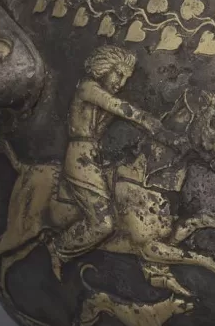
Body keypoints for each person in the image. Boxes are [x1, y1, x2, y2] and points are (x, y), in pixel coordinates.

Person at [47, 45, 185, 275]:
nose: (121, 83)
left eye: (125, 79)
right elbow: (118, 107)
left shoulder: (102, 93)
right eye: (118, 74)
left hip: (96, 157)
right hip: (81, 157)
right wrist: (145, 119)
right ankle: (59, 247)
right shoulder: (88, 88)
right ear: (103, 68)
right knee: (103, 223)